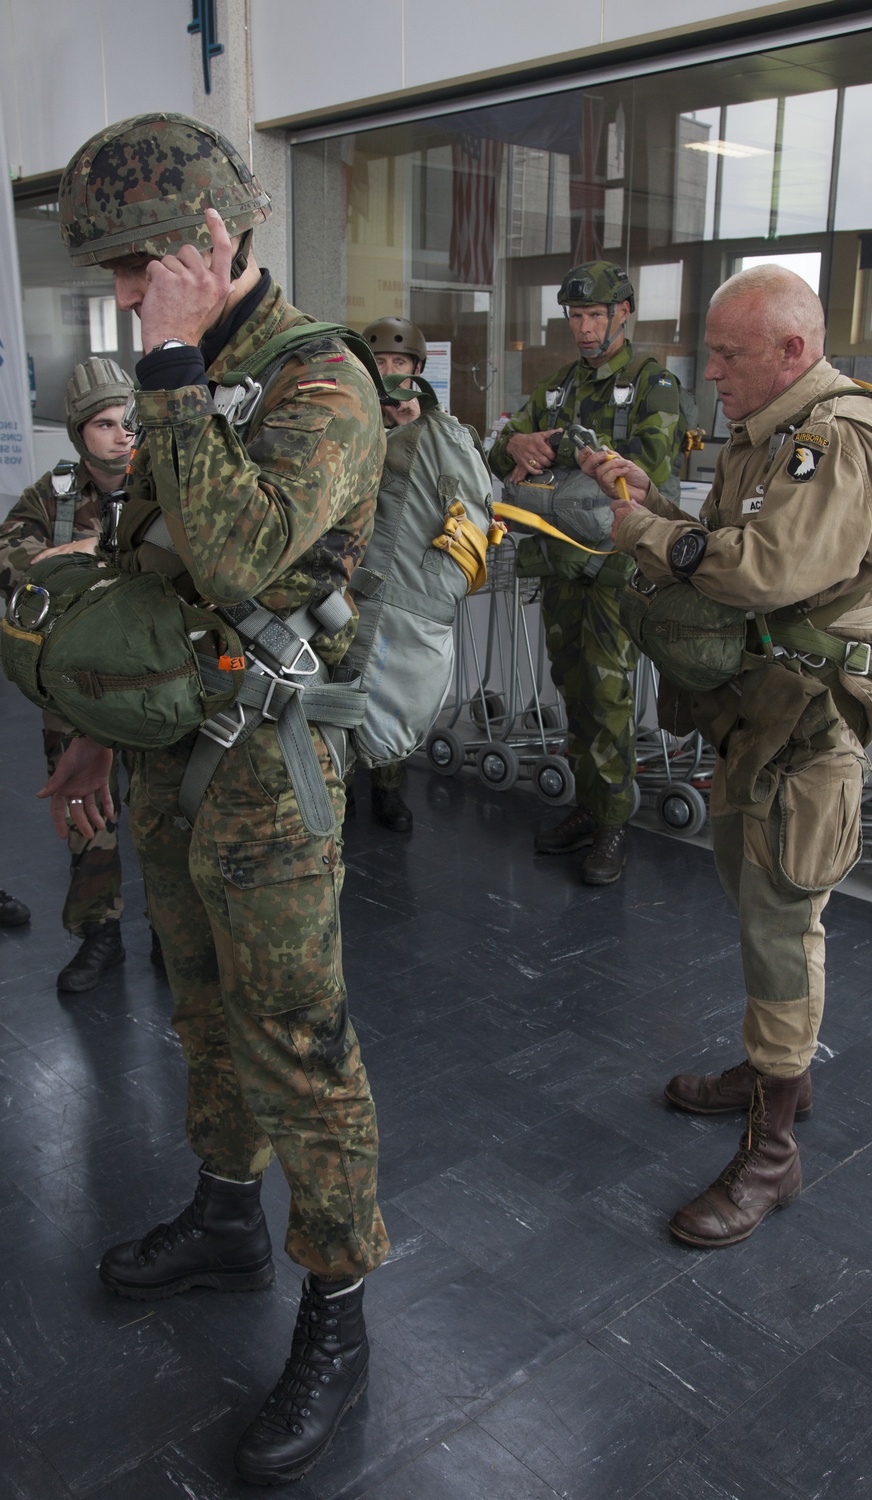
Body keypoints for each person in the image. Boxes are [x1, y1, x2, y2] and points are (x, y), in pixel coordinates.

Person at [44, 113, 388, 1486]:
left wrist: (175, 370)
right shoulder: (197, 368)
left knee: (296, 1035)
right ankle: (229, 1212)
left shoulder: (321, 385)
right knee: (201, 1006)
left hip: (274, 773)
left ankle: (341, 1305)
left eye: (139, 266)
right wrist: (89, 735)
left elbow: (240, 551)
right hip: (177, 753)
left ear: (209, 239)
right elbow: (145, 576)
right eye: (118, 276)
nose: (128, 297)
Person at [581, 264, 872, 1247]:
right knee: (753, 895)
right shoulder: (767, 436)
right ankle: (780, 1078)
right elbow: (729, 546)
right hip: (761, 719)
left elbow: (765, 572)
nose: (709, 370)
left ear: (791, 350)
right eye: (709, 350)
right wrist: (658, 510)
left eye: (728, 353)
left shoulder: (837, 440)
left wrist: (644, 529)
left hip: (808, 732)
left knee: (781, 922)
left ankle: (770, 1156)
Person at [489, 261, 682, 884]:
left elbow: (645, 469)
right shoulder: (557, 386)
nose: (585, 327)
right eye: (575, 316)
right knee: (572, 689)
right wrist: (517, 446)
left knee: (609, 696)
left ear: (623, 312)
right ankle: (588, 807)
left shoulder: (655, 385)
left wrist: (559, 444)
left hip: (614, 572)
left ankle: (614, 824)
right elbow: (502, 446)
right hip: (559, 567)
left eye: (596, 314)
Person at [0, 358, 133, 992]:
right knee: (87, 814)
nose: (121, 435)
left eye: (129, 420)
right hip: (77, 688)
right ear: (81, 433)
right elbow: (10, 562)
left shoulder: (166, 485)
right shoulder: (52, 496)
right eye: (104, 423)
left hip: (156, 685)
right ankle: (99, 934)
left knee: (170, 816)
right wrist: (95, 553)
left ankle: (175, 932)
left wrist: (74, 559)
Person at [341, 314, 431, 835]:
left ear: (417, 369)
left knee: (388, 682)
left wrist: (414, 423)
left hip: (399, 574)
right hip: (348, 571)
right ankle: (343, 782)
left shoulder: (427, 423)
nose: (392, 372)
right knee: (342, 677)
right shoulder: (349, 415)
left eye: (401, 362)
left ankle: (389, 788)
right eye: (382, 362)